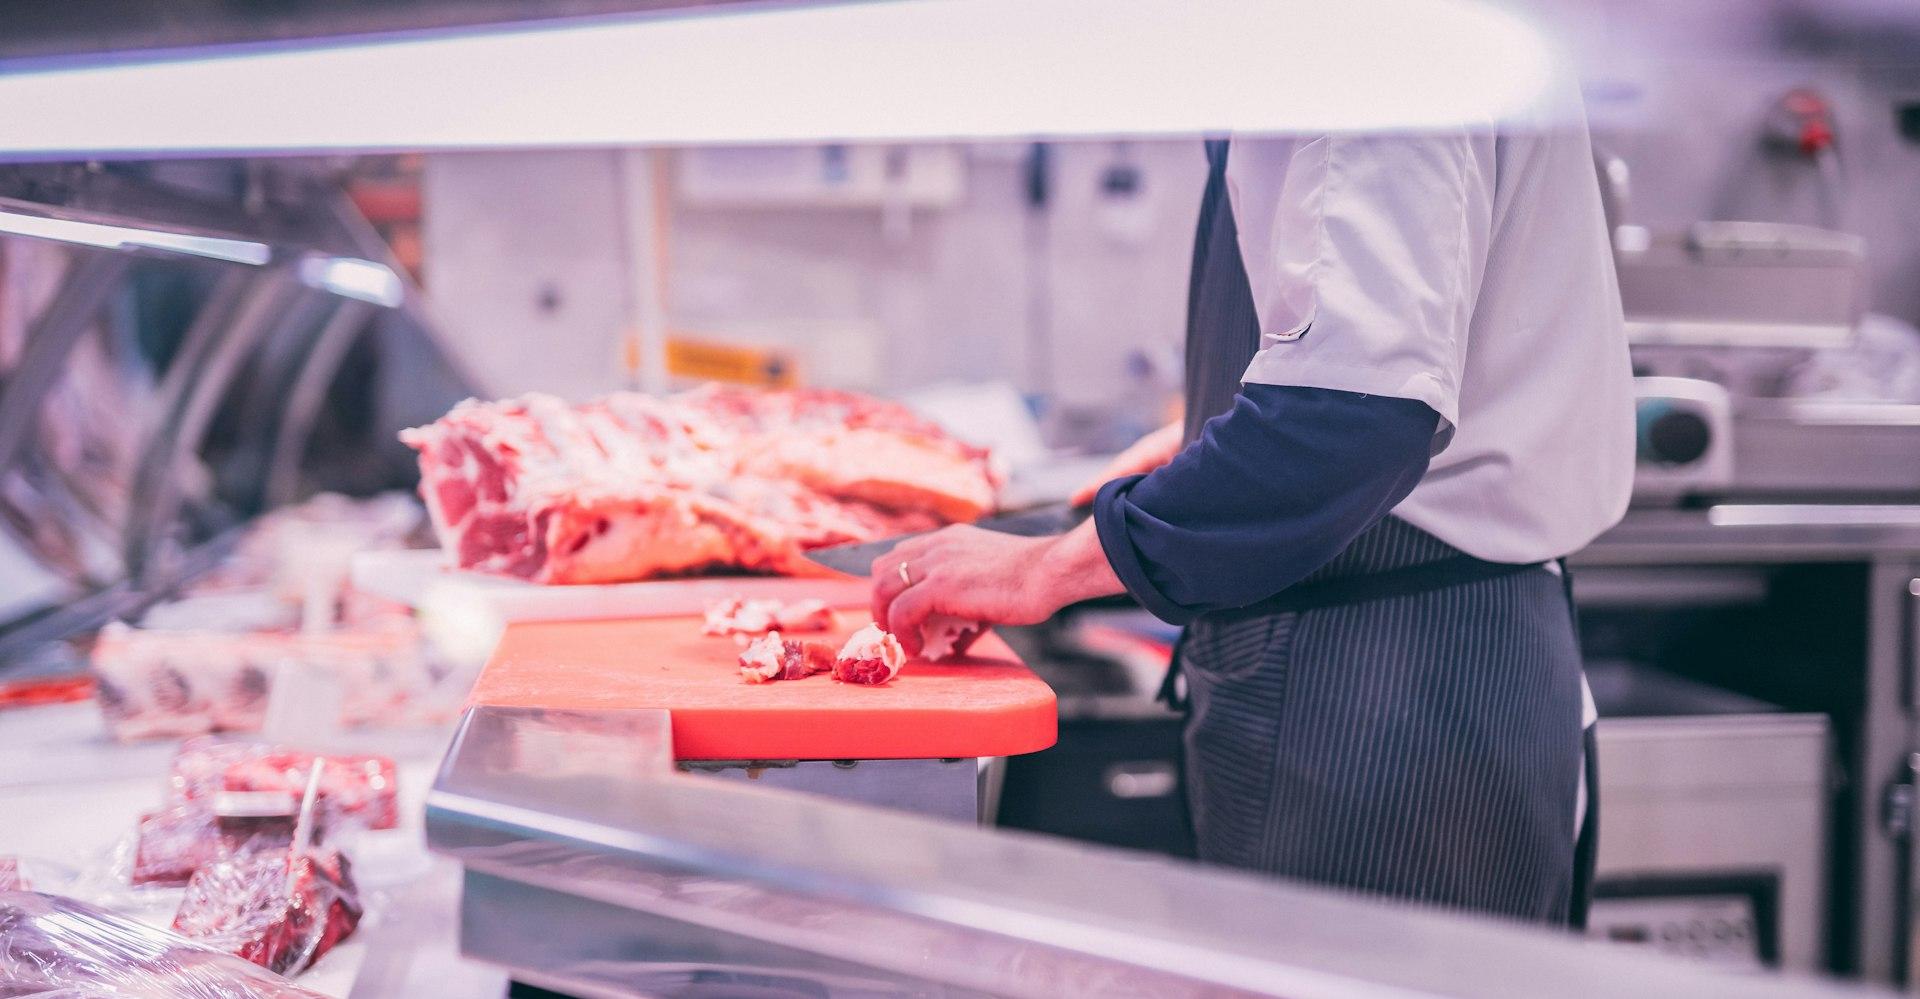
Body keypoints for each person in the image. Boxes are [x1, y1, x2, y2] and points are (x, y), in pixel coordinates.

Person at [870, 79, 1634, 925]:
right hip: (1396, 649)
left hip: (1388, 688)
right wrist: (1207, 441)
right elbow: (1388, 356)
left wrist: (1045, 567)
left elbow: (1353, 419)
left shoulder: (1353, 33)